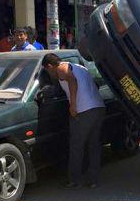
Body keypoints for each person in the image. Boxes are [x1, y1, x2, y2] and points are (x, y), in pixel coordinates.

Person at [41, 53, 106, 189]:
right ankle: (94, 180)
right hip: (98, 107)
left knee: (76, 146)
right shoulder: (79, 67)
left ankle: (75, 180)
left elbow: (72, 80)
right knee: (93, 145)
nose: (50, 74)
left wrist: (73, 104)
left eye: (47, 70)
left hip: (83, 111)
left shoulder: (61, 69)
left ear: (50, 66)